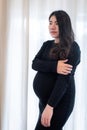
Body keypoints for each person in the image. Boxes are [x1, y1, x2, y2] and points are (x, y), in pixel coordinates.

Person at [32, 10, 81, 130]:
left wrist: (50, 106)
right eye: (50, 22)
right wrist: (55, 66)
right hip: (44, 100)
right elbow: (35, 64)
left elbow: (63, 81)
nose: (52, 26)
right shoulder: (47, 45)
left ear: (65, 25)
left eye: (57, 23)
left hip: (59, 101)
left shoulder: (73, 48)